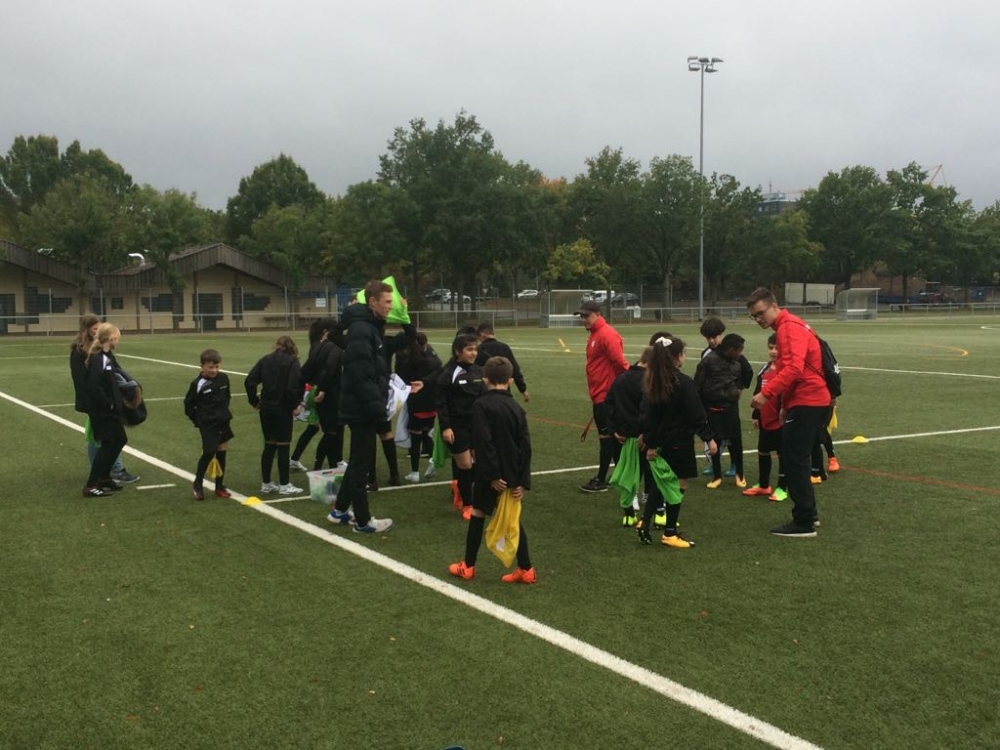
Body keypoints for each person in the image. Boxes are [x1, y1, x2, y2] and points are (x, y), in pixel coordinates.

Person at [328, 280, 415, 534]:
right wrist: (377, 405)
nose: (391, 306)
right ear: (373, 302)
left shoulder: (369, 327)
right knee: (361, 464)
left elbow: (407, 340)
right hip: (362, 408)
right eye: (387, 302)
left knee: (359, 460)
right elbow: (360, 374)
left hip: (363, 405)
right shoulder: (361, 330)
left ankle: (339, 510)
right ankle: (363, 521)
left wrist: (404, 315)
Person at [747, 287, 831, 538]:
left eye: (761, 313)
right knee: (798, 458)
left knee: (794, 460)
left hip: (809, 399)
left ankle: (804, 521)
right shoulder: (789, 326)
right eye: (754, 316)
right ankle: (809, 515)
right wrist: (785, 403)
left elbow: (794, 369)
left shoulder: (788, 328)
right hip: (806, 399)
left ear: (774, 306)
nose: (758, 319)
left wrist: (766, 394)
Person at [448, 356, 535, 584]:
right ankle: (526, 568)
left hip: (490, 475)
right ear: (510, 380)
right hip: (513, 475)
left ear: (485, 379)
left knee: (478, 513)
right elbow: (526, 447)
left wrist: (493, 475)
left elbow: (484, 443)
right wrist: (522, 481)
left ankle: (468, 566)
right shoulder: (517, 408)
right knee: (511, 518)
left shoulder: (481, 406)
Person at [637, 335, 717, 548]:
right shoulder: (683, 383)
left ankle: (645, 520)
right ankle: (670, 532)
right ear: (677, 357)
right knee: (678, 484)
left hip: (661, 442)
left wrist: (650, 442)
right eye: (683, 353)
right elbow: (697, 414)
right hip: (680, 441)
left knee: (663, 482)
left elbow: (649, 417)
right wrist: (709, 438)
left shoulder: (652, 381)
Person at [70, 314, 139, 485]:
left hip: (105, 403)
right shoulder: (92, 356)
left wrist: (126, 389)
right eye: (94, 328)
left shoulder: (103, 355)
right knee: (103, 439)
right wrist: (107, 403)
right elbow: (89, 384)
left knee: (114, 439)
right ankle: (99, 478)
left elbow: (113, 373)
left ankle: (104, 475)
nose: (96, 331)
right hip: (97, 405)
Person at [576, 299, 629, 493]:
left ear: (597, 314)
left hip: (606, 396)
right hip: (600, 394)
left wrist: (621, 389)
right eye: (581, 316)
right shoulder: (595, 335)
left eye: (586, 316)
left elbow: (620, 363)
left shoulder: (606, 334)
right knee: (611, 438)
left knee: (607, 438)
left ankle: (602, 479)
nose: (583, 319)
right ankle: (620, 476)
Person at [245, 336, 304, 496]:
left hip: (266, 408)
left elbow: (249, 381)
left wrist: (254, 401)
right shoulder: (293, 362)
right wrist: (295, 405)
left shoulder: (265, 359)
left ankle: (266, 483)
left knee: (269, 445)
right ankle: (284, 485)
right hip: (282, 409)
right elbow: (293, 386)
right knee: (283, 446)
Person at [436, 332, 486, 520]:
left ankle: (461, 489)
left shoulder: (480, 371)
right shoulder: (448, 374)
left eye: (475, 349)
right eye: (469, 349)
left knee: (478, 463)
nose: (473, 353)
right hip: (457, 426)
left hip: (477, 425)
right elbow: (441, 403)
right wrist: (446, 427)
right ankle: (468, 504)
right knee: (465, 465)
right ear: (458, 351)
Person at [693, 332, 752, 489]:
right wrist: (700, 405)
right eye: (739, 350)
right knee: (715, 442)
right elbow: (698, 384)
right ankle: (717, 476)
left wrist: (738, 389)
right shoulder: (709, 361)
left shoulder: (738, 361)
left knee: (736, 441)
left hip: (731, 408)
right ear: (730, 349)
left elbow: (748, 372)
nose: (740, 354)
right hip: (712, 409)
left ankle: (740, 474)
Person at [82, 323, 129, 497]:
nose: (118, 341)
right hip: (102, 411)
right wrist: (108, 403)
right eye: (117, 338)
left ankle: (104, 477)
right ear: (111, 338)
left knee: (120, 439)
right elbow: (93, 387)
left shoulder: (107, 356)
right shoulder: (98, 358)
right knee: (108, 444)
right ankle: (91, 485)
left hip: (112, 410)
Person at [295, 317, 346, 471]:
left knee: (329, 431)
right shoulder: (333, 347)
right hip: (330, 393)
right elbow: (329, 368)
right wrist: (323, 389)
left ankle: (332, 465)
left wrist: (300, 393)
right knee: (331, 432)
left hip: (319, 392)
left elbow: (305, 372)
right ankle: (320, 467)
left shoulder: (316, 347)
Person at [183, 348, 233, 501]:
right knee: (209, 452)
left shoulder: (224, 378)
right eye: (210, 367)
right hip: (208, 424)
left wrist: (224, 413)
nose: (214, 370)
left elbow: (227, 397)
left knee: (222, 453)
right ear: (202, 366)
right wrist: (198, 420)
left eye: (217, 366)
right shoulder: (197, 384)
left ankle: (219, 486)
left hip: (223, 421)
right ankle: (198, 483)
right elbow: (188, 405)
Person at [742, 334, 785, 500]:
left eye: (777, 348)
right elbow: (758, 392)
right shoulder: (764, 369)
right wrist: (755, 414)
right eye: (770, 348)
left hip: (781, 420)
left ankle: (782, 488)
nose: (773, 351)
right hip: (765, 418)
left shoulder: (787, 370)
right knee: (763, 451)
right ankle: (764, 485)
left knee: (783, 454)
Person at [395, 331, 442, 482]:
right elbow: (439, 372)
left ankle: (414, 472)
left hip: (416, 402)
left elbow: (400, 379)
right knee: (427, 433)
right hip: (432, 402)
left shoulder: (407, 360)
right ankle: (433, 461)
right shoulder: (433, 359)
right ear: (425, 344)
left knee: (416, 437)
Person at [475, 322, 529, 402]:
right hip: (504, 391)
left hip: (485, 391)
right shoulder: (504, 348)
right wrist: (523, 390)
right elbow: (515, 370)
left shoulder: (478, 350)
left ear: (482, 335)